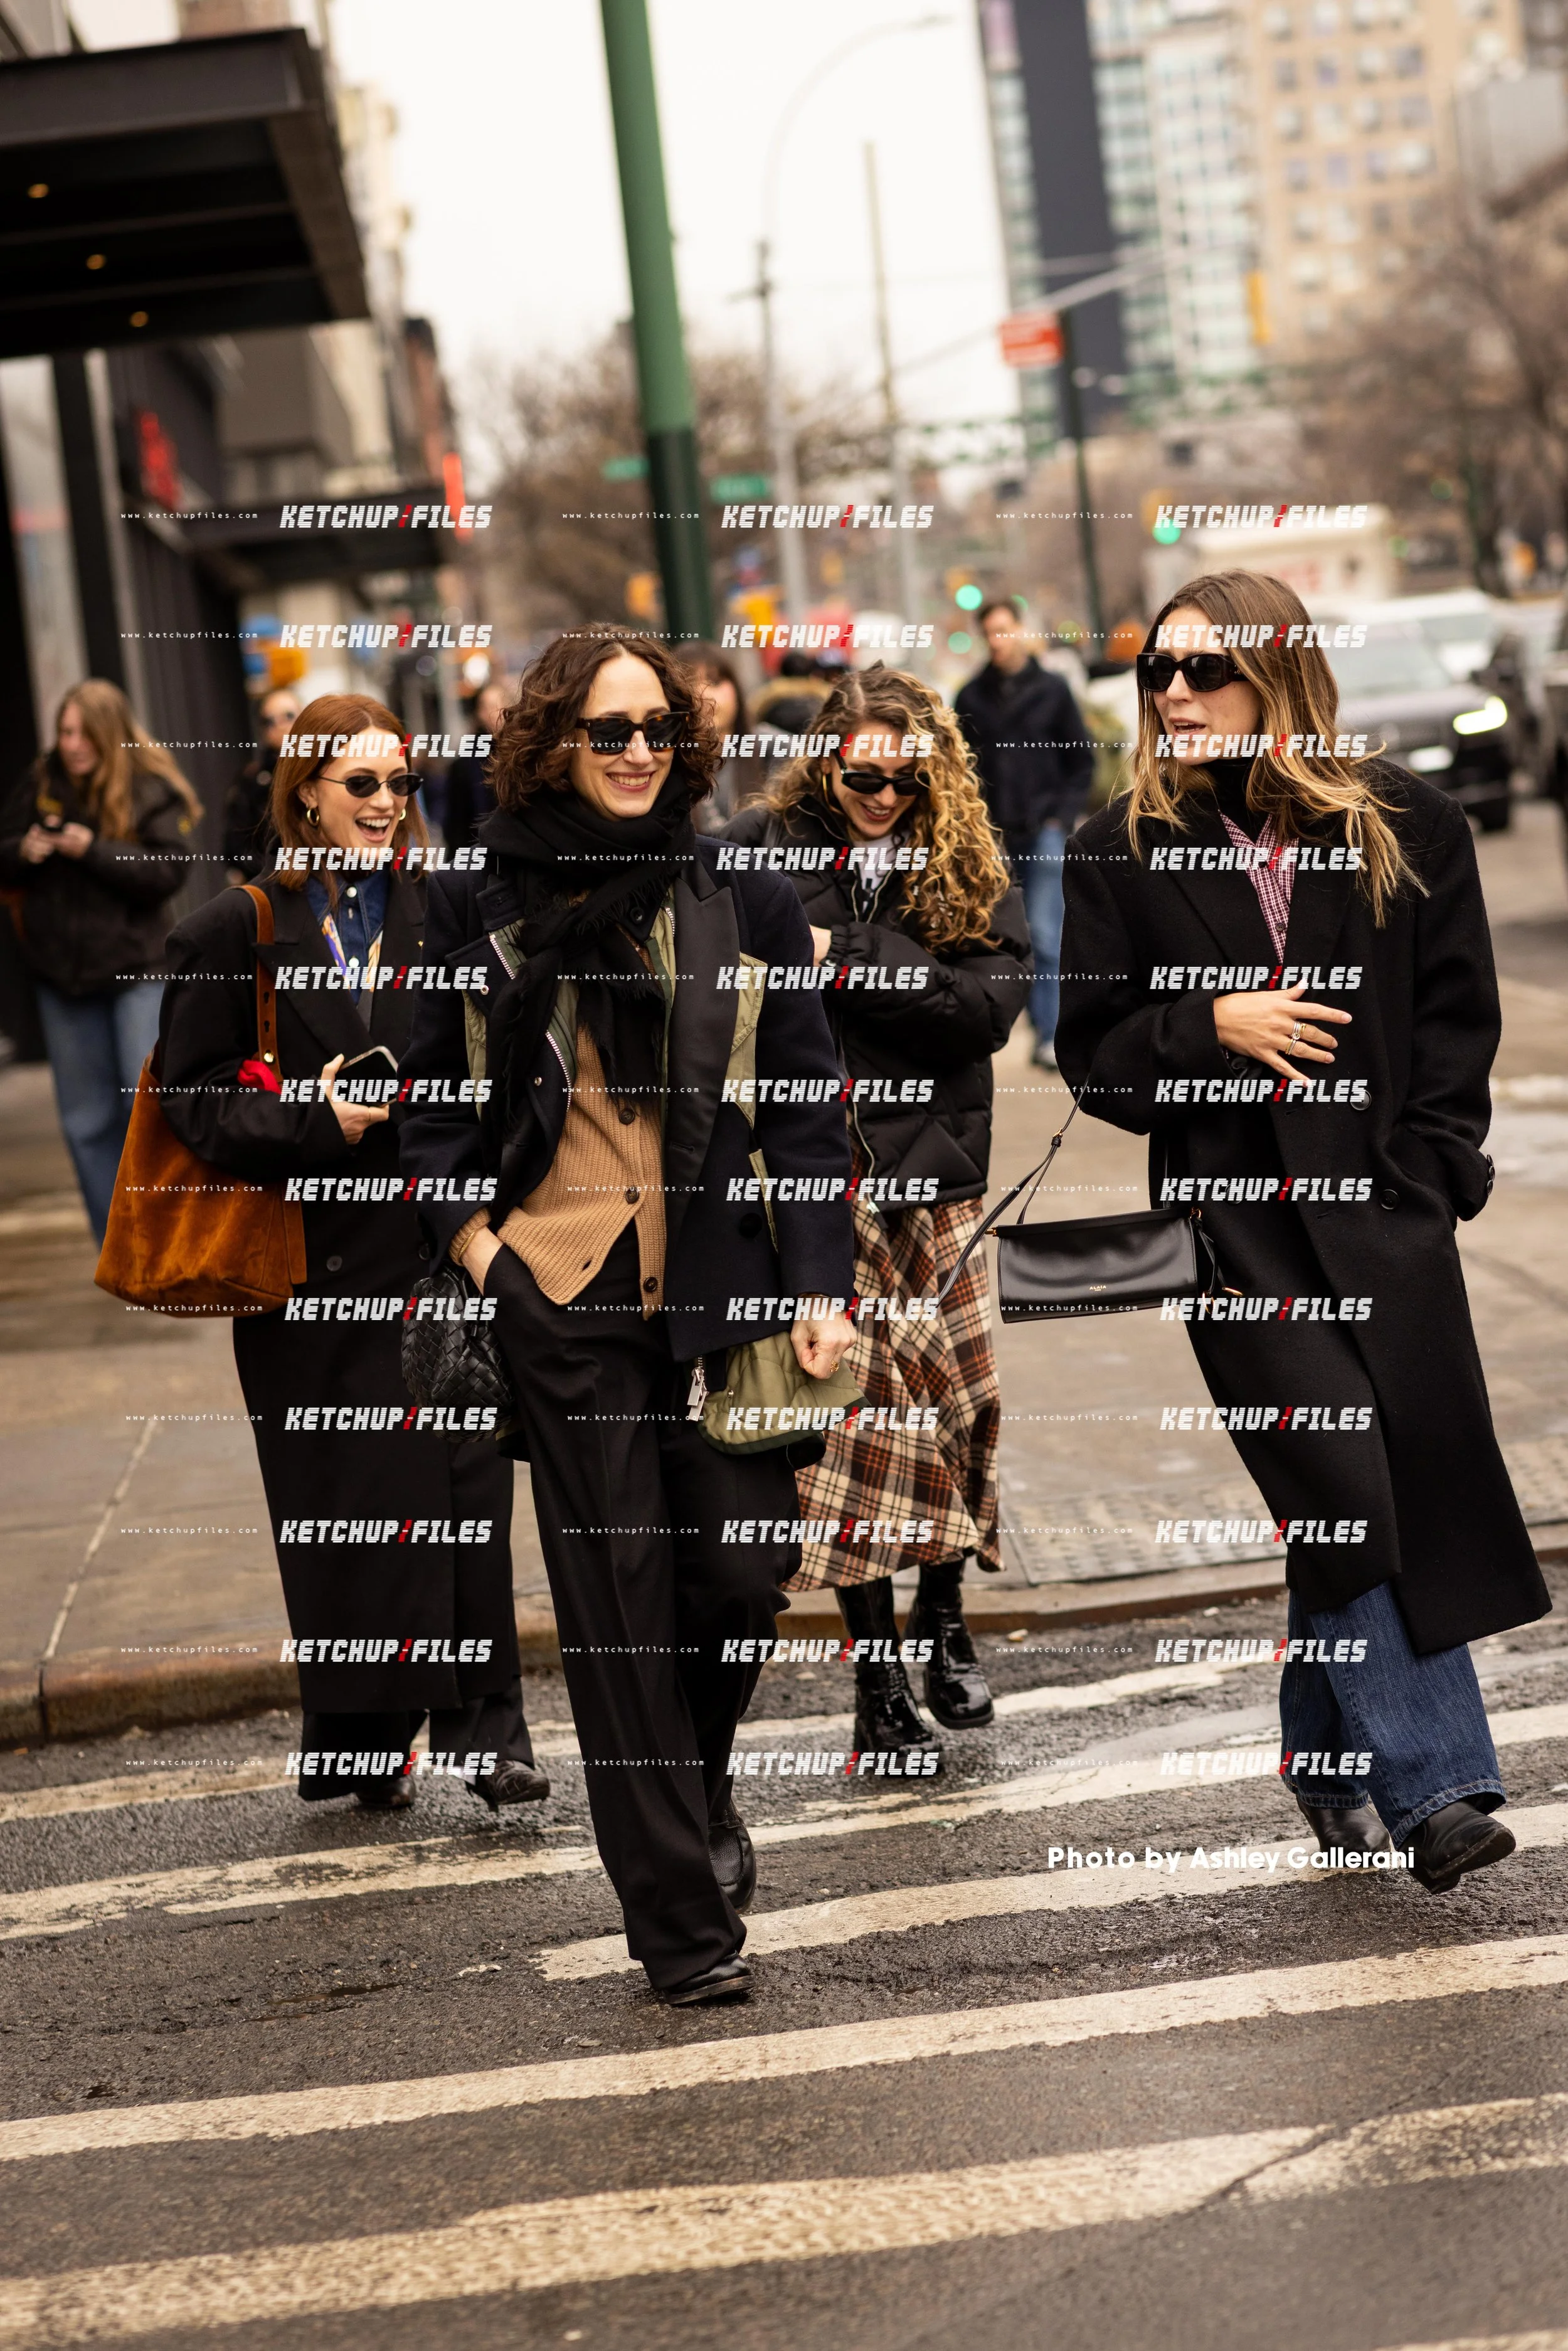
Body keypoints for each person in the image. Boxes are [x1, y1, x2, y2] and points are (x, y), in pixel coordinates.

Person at [1057, 569, 1549, 1892]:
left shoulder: (1410, 825)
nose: (1171, 693)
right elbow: (1090, 1056)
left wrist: (1434, 1172)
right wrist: (1206, 1024)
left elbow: (1456, 1026)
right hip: (1237, 1238)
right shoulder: (1120, 848)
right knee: (1341, 1489)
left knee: (1362, 1499)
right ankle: (1436, 1787)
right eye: (1156, 672)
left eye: (1201, 671)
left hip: (1384, 1227)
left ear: (1275, 674)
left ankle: (1323, 1754)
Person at [397, 629, 857, 2006]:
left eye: (657, 729)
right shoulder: (471, 903)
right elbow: (429, 1106)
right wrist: (480, 1248)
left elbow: (804, 1103)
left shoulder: (740, 895)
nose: (639, 752)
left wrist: (823, 1283)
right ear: (554, 742)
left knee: (736, 1570)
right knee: (617, 1607)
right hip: (562, 1294)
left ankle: (694, 1781)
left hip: (720, 1295)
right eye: (610, 732)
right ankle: (680, 1927)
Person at [154, 693, 542, 1815]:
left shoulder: (449, 904)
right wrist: (319, 1121)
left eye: (401, 785)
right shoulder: (239, 925)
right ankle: (368, 1731)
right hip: (308, 1269)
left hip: (434, 1244)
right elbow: (194, 1093)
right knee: (350, 1506)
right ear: (307, 792)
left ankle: (493, 1726)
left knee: (466, 1486)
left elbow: (506, 1050)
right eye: (361, 784)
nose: (385, 804)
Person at [725, 664, 1032, 1770]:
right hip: (817, 1184)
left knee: (960, 1408)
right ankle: (878, 1680)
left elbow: (984, 1010)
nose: (882, 794)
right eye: (862, 773)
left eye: (905, 777)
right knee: (854, 1431)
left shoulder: (963, 854)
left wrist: (845, 958)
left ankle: (945, 1614)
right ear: (827, 757)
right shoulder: (759, 847)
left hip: (936, 1179)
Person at [0, 679, 201, 1243]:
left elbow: (169, 870)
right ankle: (117, 1244)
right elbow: (5, 852)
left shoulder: (148, 786)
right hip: (61, 980)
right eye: (64, 733)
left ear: (109, 735)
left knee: (149, 1114)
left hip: (135, 974)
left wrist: (90, 849)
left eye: (83, 734)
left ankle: (166, 1237)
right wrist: (24, 851)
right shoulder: (42, 780)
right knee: (87, 1123)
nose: (71, 745)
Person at [956, 599, 1095, 1069]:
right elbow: (963, 769)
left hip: (1045, 833)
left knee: (1046, 934)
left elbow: (1082, 761)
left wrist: (1060, 816)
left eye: (1004, 630)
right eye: (990, 632)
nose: (998, 640)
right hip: (994, 838)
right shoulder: (972, 696)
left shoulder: (1052, 690)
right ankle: (1039, 1029)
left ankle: (1050, 1035)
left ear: (1020, 630)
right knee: (1013, 938)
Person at [676, 642, 763, 829]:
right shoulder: (662, 762)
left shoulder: (775, 751)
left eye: (714, 681)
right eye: (689, 684)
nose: (703, 695)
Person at [223, 684, 300, 881]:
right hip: (272, 884)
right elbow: (235, 845)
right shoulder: (251, 780)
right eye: (270, 721)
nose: (280, 725)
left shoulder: (325, 767)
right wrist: (272, 873)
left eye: (288, 716)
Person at [441, 679, 507, 853]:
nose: (497, 712)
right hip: (475, 854)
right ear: (480, 713)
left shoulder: (521, 755)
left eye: (501, 704)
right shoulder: (464, 765)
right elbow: (455, 822)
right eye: (490, 706)